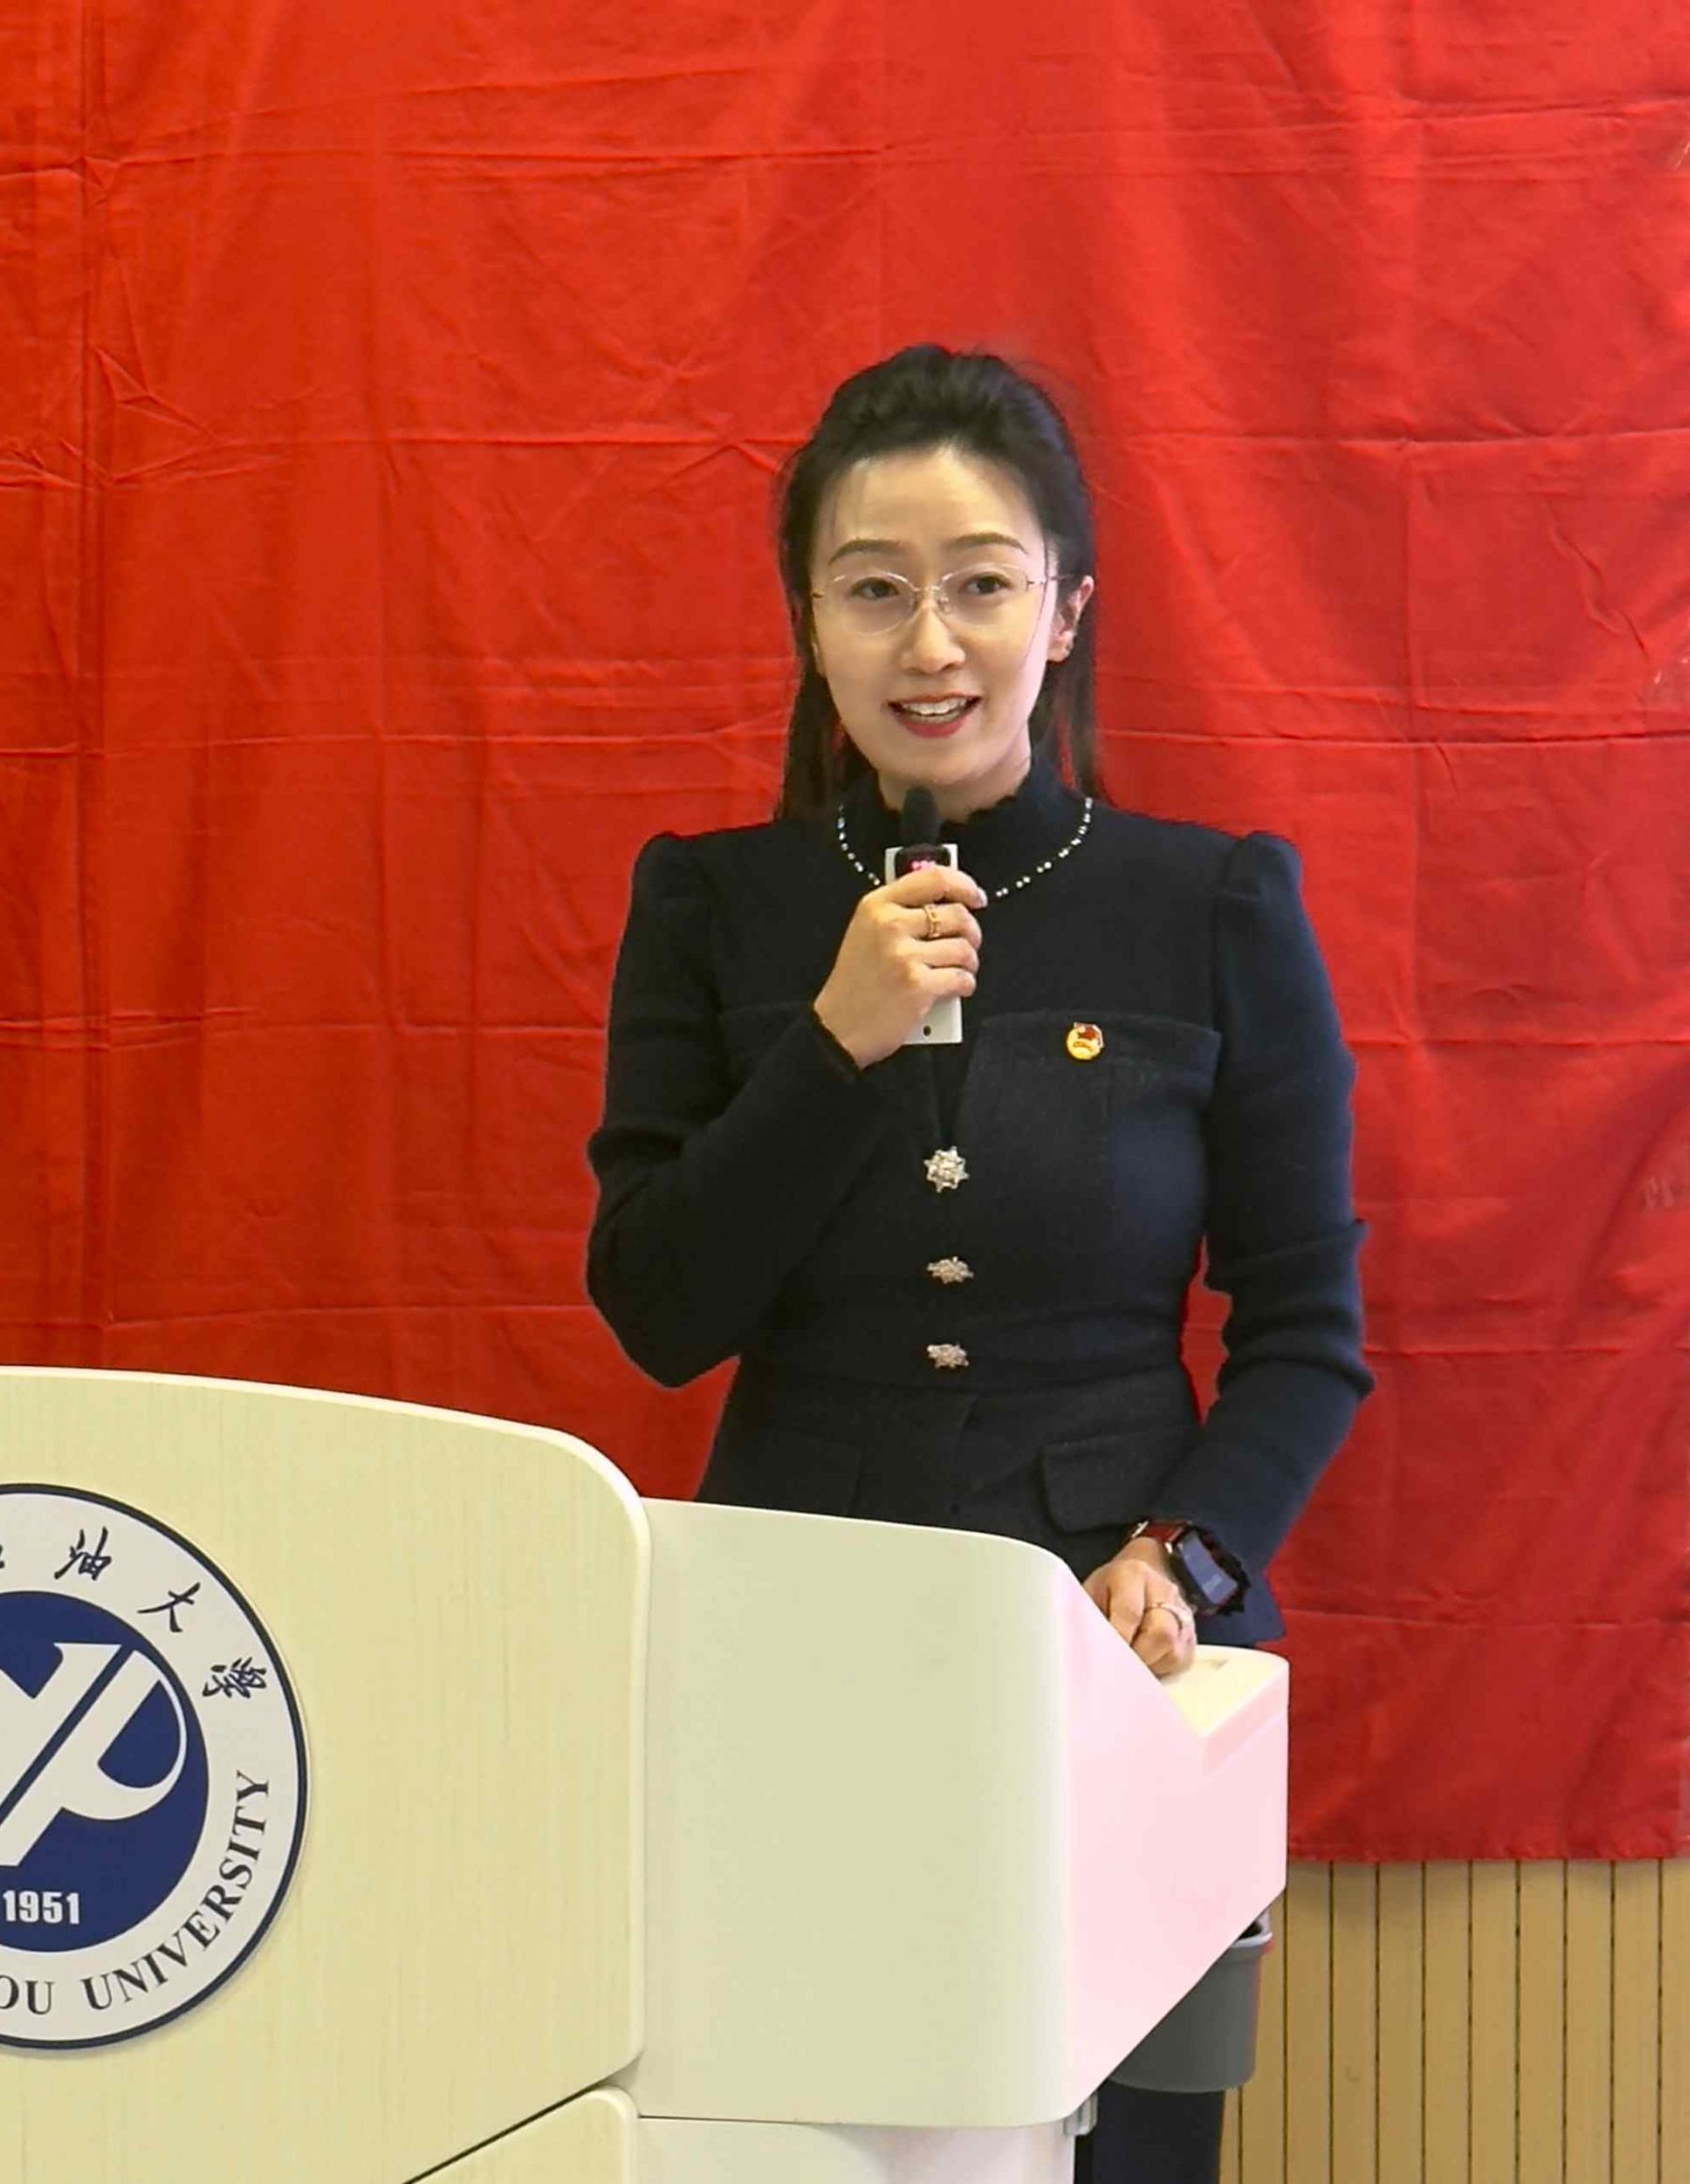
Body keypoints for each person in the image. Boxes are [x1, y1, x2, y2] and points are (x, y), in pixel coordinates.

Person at [585, 344, 1372, 2183]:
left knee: (1130, 2151)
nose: (928, 643)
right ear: (808, 618)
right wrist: (830, 1046)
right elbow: (657, 1312)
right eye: (872, 589)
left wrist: (1183, 1557)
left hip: (1120, 1648)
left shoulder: (1209, 902)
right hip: (796, 1636)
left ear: (1065, 609)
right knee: (805, 2145)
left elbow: (1305, 1329)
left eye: (980, 585)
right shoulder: (711, 902)